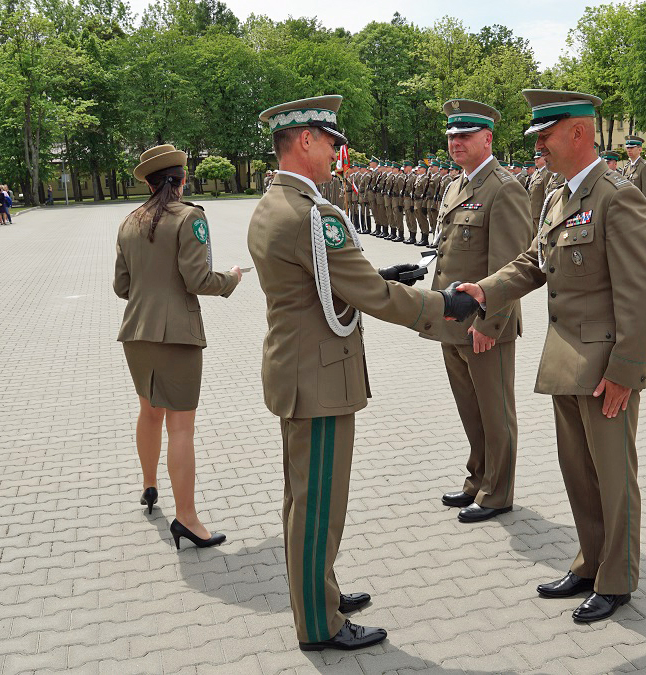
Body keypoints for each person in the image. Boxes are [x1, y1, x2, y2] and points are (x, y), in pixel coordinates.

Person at [248, 95, 480, 651]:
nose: (337, 152)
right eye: (330, 142)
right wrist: (442, 305)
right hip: (320, 377)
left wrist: (375, 271)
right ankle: (320, 624)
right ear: (305, 140)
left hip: (297, 370)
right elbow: (367, 294)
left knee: (303, 497)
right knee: (319, 503)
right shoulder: (312, 214)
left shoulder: (272, 204)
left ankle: (316, 592)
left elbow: (324, 281)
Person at [459, 88, 646, 625]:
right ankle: (589, 562)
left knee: (613, 476)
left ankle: (616, 578)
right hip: (565, 360)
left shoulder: (617, 196)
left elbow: (642, 295)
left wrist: (625, 372)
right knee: (578, 471)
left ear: (578, 132)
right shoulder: (555, 194)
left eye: (544, 136)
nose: (538, 148)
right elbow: (532, 262)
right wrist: (483, 291)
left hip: (604, 368)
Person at [113, 144, 244, 551]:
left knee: (149, 413)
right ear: (182, 179)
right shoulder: (191, 217)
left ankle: (150, 486)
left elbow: (121, 286)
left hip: (136, 333)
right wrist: (232, 278)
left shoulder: (129, 221)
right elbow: (198, 280)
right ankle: (186, 519)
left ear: (151, 183)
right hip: (177, 336)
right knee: (181, 427)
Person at [428, 99, 531, 523]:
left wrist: (491, 322)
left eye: (465, 135)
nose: (456, 142)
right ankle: (477, 478)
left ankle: (497, 492)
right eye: (451, 135)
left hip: (485, 323)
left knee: (494, 409)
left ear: (488, 138)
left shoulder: (504, 187)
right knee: (470, 408)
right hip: (452, 320)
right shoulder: (456, 186)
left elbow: (511, 265)